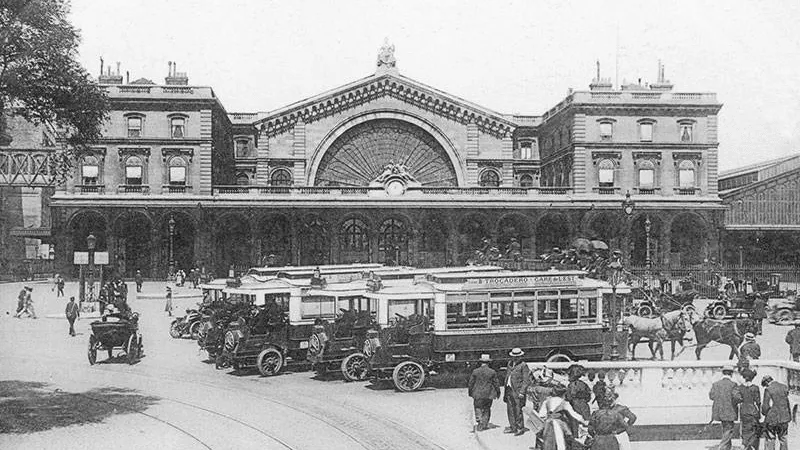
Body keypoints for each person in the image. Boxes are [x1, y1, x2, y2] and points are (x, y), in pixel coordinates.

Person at [537, 383, 587, 450]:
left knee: (548, 444)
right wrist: (583, 421)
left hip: (548, 425)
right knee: (561, 443)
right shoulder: (564, 403)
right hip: (559, 424)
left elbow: (541, 415)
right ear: (563, 394)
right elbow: (574, 414)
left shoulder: (546, 401)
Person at [709, 365, 742, 450]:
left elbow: (711, 396)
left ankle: (728, 447)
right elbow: (737, 397)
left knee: (726, 429)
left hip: (719, 411)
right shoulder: (733, 384)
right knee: (729, 430)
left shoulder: (716, 384)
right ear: (731, 374)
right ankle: (722, 447)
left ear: (723, 373)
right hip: (730, 411)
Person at [468, 355, 501, 431]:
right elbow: (496, 383)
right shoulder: (492, 372)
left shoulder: (475, 371)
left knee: (478, 407)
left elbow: (471, 383)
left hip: (477, 394)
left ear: (480, 363)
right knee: (487, 408)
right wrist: (498, 392)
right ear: (488, 363)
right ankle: (485, 423)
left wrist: (470, 392)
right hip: (488, 394)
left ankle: (479, 421)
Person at [504, 347, 531, 436]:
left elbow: (526, 380)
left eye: (517, 356)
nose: (515, 358)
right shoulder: (510, 364)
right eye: (514, 356)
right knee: (510, 409)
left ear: (520, 357)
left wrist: (522, 392)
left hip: (518, 391)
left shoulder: (523, 365)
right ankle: (513, 427)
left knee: (518, 410)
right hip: (509, 390)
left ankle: (520, 428)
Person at [761, 374, 791, 450]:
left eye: (765, 384)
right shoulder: (784, 387)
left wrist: (764, 413)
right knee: (783, 438)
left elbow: (766, 406)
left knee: (770, 438)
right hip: (784, 418)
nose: (766, 386)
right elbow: (787, 403)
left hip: (772, 419)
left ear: (767, 382)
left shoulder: (768, 389)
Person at [737, 368, 761, 450]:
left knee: (745, 430)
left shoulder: (740, 388)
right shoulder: (755, 388)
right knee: (754, 430)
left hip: (744, 410)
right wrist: (759, 412)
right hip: (753, 410)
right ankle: (752, 445)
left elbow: (738, 399)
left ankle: (745, 445)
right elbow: (758, 401)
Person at [565, 364, 592, 438]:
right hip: (584, 406)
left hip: (574, 406)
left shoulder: (570, 385)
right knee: (586, 424)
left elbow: (568, 397)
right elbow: (589, 397)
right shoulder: (584, 384)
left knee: (574, 424)